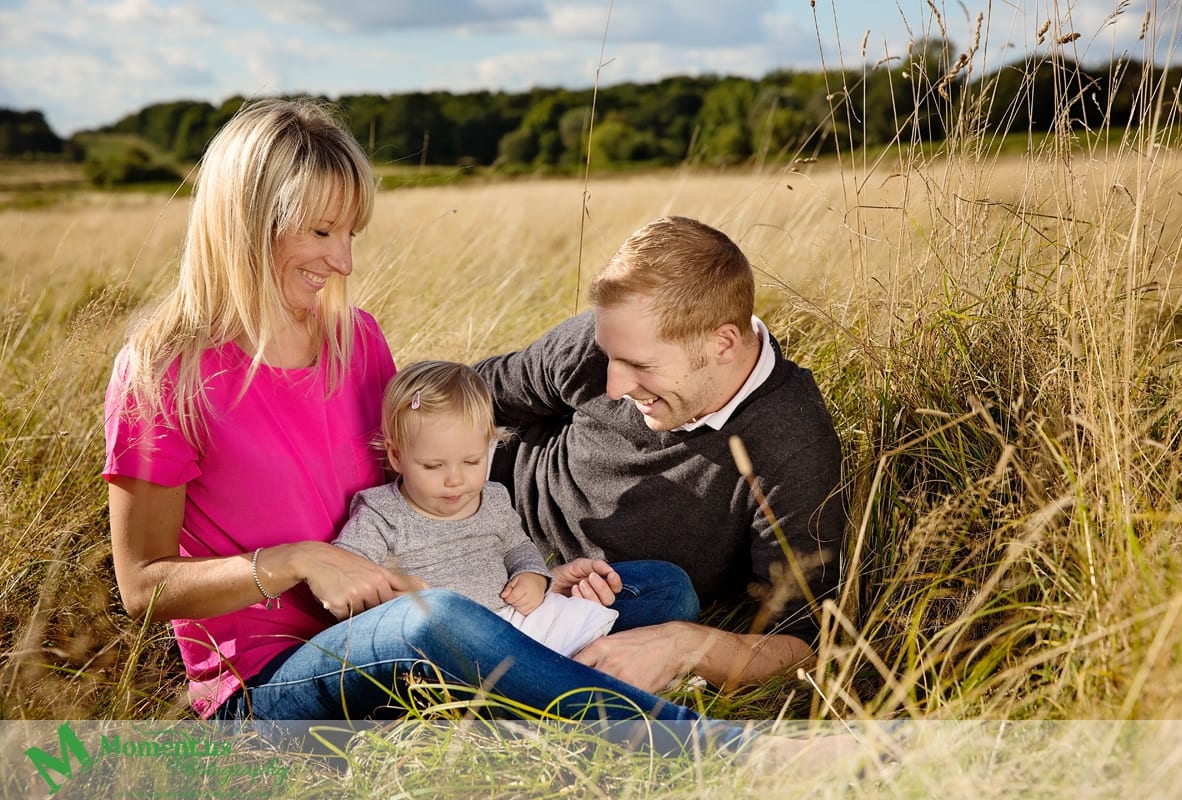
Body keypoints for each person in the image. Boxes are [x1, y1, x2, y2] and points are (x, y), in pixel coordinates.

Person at [101, 99, 745, 744]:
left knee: (657, 591)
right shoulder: (165, 374)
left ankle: (524, 704)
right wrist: (298, 560)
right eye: (322, 233)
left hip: (429, 627)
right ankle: (696, 746)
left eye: (351, 234)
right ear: (247, 222)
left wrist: (540, 576)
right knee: (434, 620)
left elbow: (420, 499)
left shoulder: (356, 339)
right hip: (275, 683)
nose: (344, 262)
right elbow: (144, 588)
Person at [476, 215, 848, 695]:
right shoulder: (610, 340)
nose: (614, 385)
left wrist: (682, 645)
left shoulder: (792, 445)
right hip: (472, 521)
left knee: (669, 593)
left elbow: (800, 643)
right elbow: (472, 394)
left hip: (595, 598)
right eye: (609, 355)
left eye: (640, 366)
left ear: (723, 344)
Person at [332, 360, 620, 658]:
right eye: (433, 466)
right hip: (442, 645)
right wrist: (394, 603)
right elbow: (345, 574)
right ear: (396, 455)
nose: (455, 480)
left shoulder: (492, 497)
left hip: (514, 619)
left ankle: (576, 664)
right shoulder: (382, 513)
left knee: (656, 581)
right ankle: (562, 677)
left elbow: (517, 546)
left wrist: (532, 574)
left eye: (472, 462)